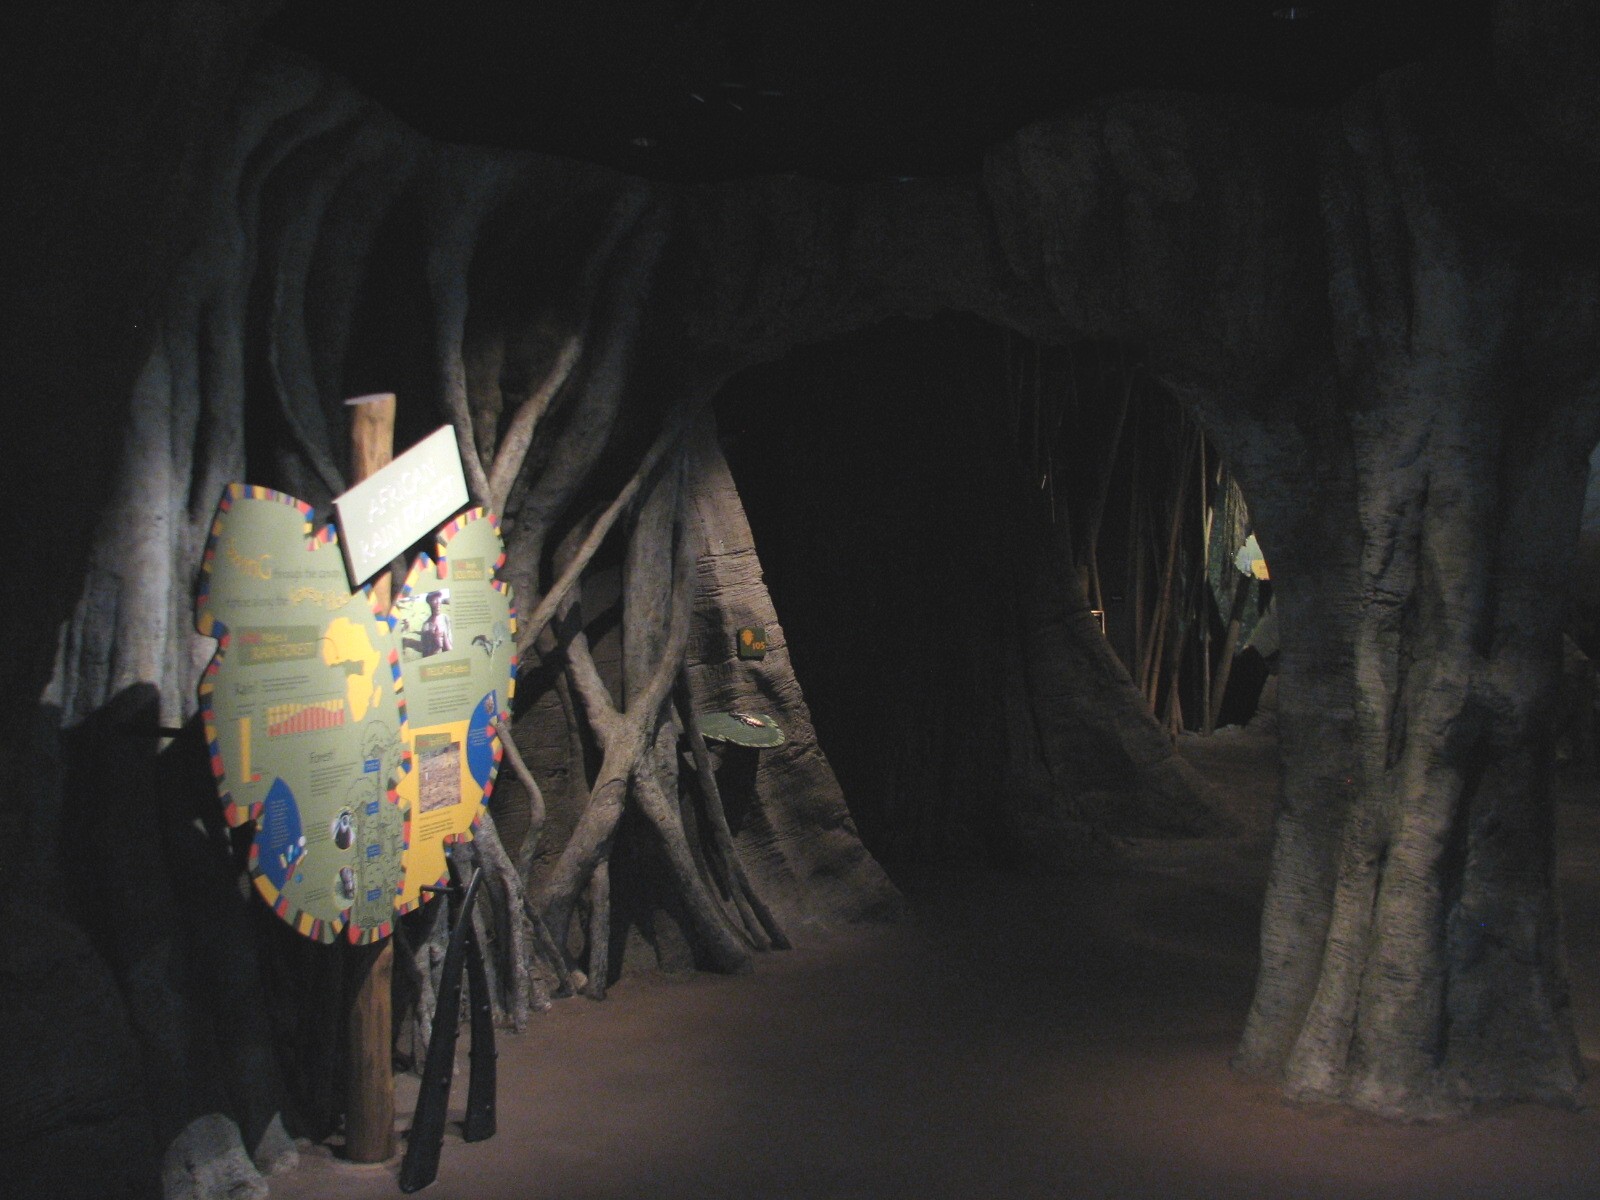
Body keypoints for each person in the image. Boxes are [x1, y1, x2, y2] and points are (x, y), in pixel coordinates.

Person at [420, 590, 452, 656]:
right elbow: (425, 655)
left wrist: (444, 636)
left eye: (439, 598)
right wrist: (436, 647)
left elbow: (450, 649)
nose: (438, 602)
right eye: (434, 599)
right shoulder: (426, 626)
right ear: (429, 602)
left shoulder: (446, 618)